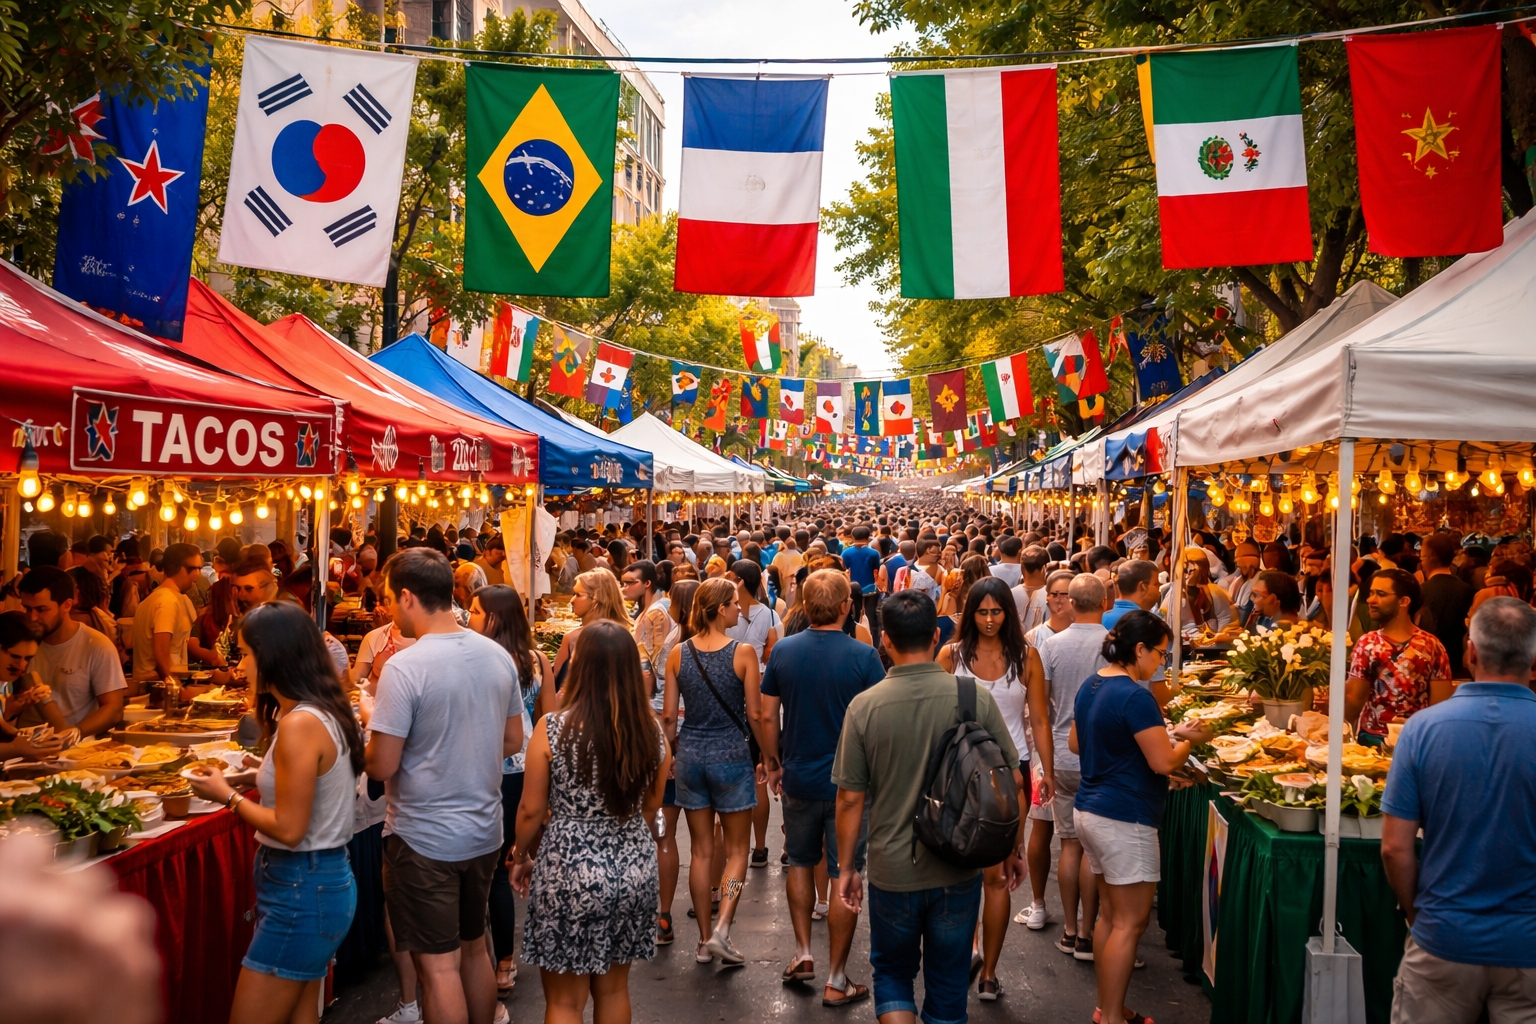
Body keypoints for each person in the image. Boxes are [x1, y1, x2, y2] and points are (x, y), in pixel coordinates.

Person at [831, 590, 1023, 1024]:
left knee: (894, 975)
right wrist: (1012, 848)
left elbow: (850, 798)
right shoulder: (974, 698)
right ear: (936, 636)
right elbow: (1011, 779)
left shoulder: (865, 707)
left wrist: (847, 867)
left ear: (885, 641)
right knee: (950, 981)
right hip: (958, 864)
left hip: (892, 867)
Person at [186, 601, 365, 1024]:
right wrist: (251, 778)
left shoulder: (300, 723)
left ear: (273, 657)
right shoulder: (320, 709)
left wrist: (226, 796)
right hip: (315, 884)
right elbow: (313, 785)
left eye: (246, 654)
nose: (241, 665)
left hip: (301, 887)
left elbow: (289, 828)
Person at [365, 549, 524, 1024]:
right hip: (483, 830)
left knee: (437, 969)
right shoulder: (495, 654)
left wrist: (372, 728)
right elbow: (514, 738)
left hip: (423, 838)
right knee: (473, 949)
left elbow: (382, 764)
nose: (391, 609)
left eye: (392, 599)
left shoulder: (404, 667)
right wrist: (464, 753)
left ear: (408, 597)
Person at [1381, 597, 1536, 1023]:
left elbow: (1395, 849)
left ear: (1469, 651)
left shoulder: (1423, 729)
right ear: (1533, 657)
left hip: (1444, 935)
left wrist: (1418, 916)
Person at [508, 621, 667, 1024]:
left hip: (567, 867)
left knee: (564, 1002)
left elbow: (530, 810)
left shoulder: (553, 729)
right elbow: (652, 806)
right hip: (633, 868)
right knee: (614, 989)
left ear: (581, 667)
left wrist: (523, 854)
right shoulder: (651, 731)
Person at [1070, 610, 1213, 1024]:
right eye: (1161, 654)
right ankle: (1112, 1015)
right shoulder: (1135, 696)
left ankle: (1108, 1008)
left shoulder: (1093, 683)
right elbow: (1164, 762)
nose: (1162, 663)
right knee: (1129, 923)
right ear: (1139, 650)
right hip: (1123, 818)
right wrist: (1188, 739)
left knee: (1111, 918)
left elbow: (1077, 743)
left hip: (1092, 810)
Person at [758, 569, 884, 1006]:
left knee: (799, 863)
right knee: (844, 872)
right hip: (851, 785)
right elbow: (877, 720)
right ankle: (836, 976)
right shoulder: (864, 655)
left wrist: (773, 761)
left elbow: (765, 715)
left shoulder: (784, 652)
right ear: (847, 606)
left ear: (805, 605)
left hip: (798, 774)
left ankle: (803, 952)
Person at [662, 577, 765, 967]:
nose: (740, 609)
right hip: (730, 756)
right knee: (737, 853)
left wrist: (670, 753)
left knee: (701, 852)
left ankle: (704, 941)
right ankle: (723, 924)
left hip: (689, 755)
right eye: (735, 604)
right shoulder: (742, 654)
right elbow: (754, 714)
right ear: (721, 609)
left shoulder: (678, 653)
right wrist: (769, 755)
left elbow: (670, 716)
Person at [937, 576, 1030, 1001]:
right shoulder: (950, 655)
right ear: (969, 614)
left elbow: (1040, 719)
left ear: (1008, 613)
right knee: (962, 875)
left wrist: (1042, 771)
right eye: (982, 611)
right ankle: (969, 955)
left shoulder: (1025, 657)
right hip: (960, 776)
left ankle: (988, 970)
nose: (990, 619)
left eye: (997, 611)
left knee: (997, 876)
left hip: (1010, 778)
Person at [469, 584, 549, 1002]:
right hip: (524, 767)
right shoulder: (535, 659)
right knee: (721, 847)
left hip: (489, 767)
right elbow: (548, 717)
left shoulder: (481, 662)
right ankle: (721, 903)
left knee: (489, 871)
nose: (468, 617)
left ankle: (489, 957)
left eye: (475, 611)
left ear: (494, 618)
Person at [1034, 572, 1110, 961]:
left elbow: (1041, 711)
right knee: (1096, 852)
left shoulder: (1050, 646)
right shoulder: (1113, 645)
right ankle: (1087, 932)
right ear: (1104, 603)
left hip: (1062, 757)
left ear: (1071, 603)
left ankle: (1068, 929)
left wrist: (1045, 766)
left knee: (1069, 844)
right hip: (1105, 756)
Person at [1346, 568, 1453, 746]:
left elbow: (1354, 702)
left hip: (1398, 740)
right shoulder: (1432, 645)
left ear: (1404, 601)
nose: (1371, 600)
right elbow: (1441, 707)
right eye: (1371, 593)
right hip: (1398, 740)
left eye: (1380, 594)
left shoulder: (1369, 644)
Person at [15, 567, 126, 736]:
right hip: (22, 746)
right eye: (27, 609)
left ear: (67, 604)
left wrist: (73, 734)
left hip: (75, 750)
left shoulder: (96, 645)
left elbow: (113, 708)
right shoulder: (17, 643)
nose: (32, 618)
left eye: (41, 609)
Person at [130, 542, 225, 686]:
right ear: (180, 568)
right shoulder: (167, 601)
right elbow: (161, 652)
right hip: (156, 686)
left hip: (165, 683)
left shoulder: (173, 598)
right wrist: (177, 689)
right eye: (196, 568)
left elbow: (184, 644)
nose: (199, 575)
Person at [551, 569, 628, 697]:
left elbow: (555, 684)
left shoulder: (572, 639)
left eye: (578, 594)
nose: (572, 600)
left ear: (596, 599)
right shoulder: (626, 635)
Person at [0, 612, 66, 760]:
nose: (22, 665)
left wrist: (13, 709)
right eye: (15, 657)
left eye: (28, 658)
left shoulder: (6, 682)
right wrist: (17, 748)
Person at [1416, 533, 1476, 680]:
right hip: (1457, 663)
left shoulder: (1421, 591)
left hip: (1425, 661)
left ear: (1432, 556)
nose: (1421, 562)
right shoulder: (1467, 590)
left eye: (1422, 557)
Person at [843, 526, 884, 647]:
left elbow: (845, 569)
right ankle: (872, 642)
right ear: (868, 537)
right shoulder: (874, 553)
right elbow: (876, 569)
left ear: (853, 537)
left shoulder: (846, 552)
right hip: (871, 588)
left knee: (854, 614)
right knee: (871, 616)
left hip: (852, 588)